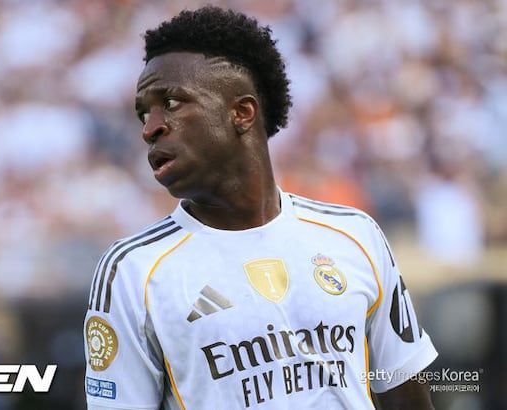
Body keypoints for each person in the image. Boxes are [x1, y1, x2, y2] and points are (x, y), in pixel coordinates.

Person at [83, 6, 437, 409]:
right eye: (144, 113)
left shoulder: (355, 235)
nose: (151, 128)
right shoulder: (132, 271)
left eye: (172, 102)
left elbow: (407, 396)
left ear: (242, 112)